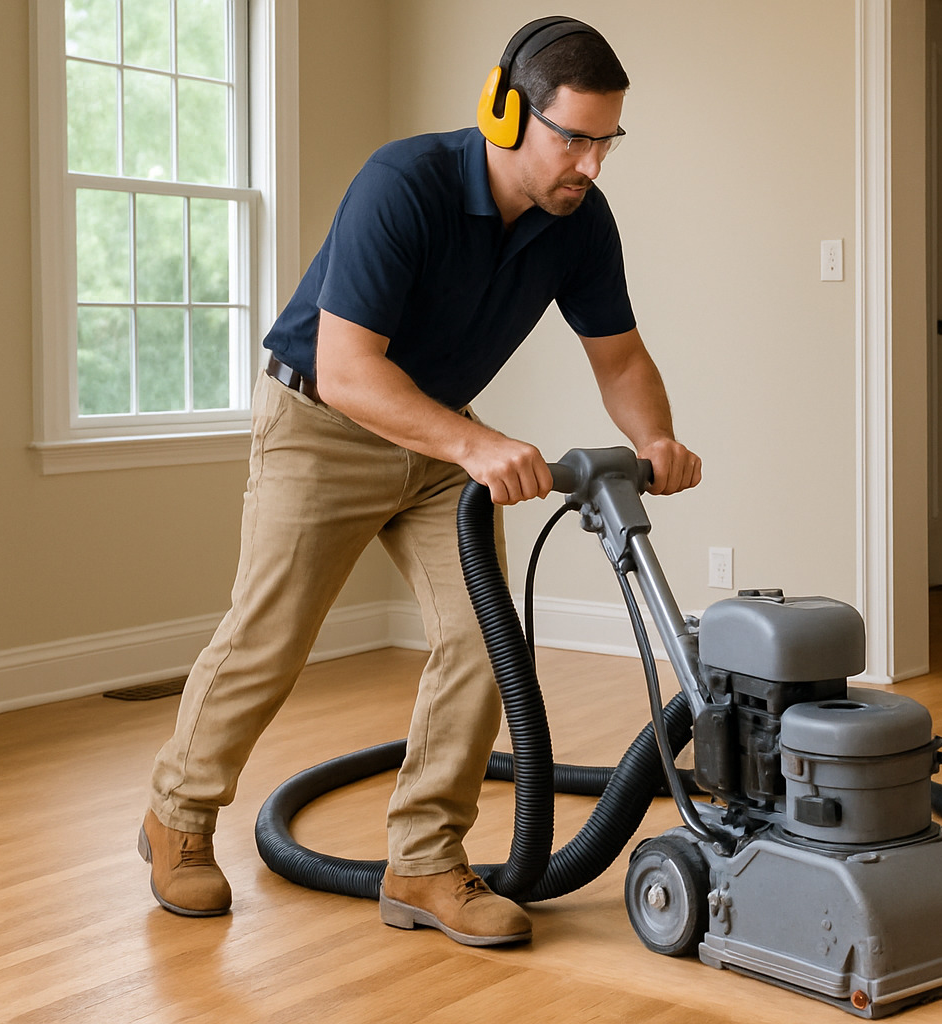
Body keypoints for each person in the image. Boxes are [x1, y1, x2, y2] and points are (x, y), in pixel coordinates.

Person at [138, 16, 700, 947]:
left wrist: (658, 439)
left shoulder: (577, 220)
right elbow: (352, 370)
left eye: (607, 142)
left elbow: (621, 354)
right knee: (270, 637)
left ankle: (425, 860)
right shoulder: (405, 185)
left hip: (440, 441)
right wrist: (478, 449)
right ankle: (178, 818)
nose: (592, 165)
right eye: (574, 138)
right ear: (506, 110)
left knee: (485, 641)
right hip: (322, 421)